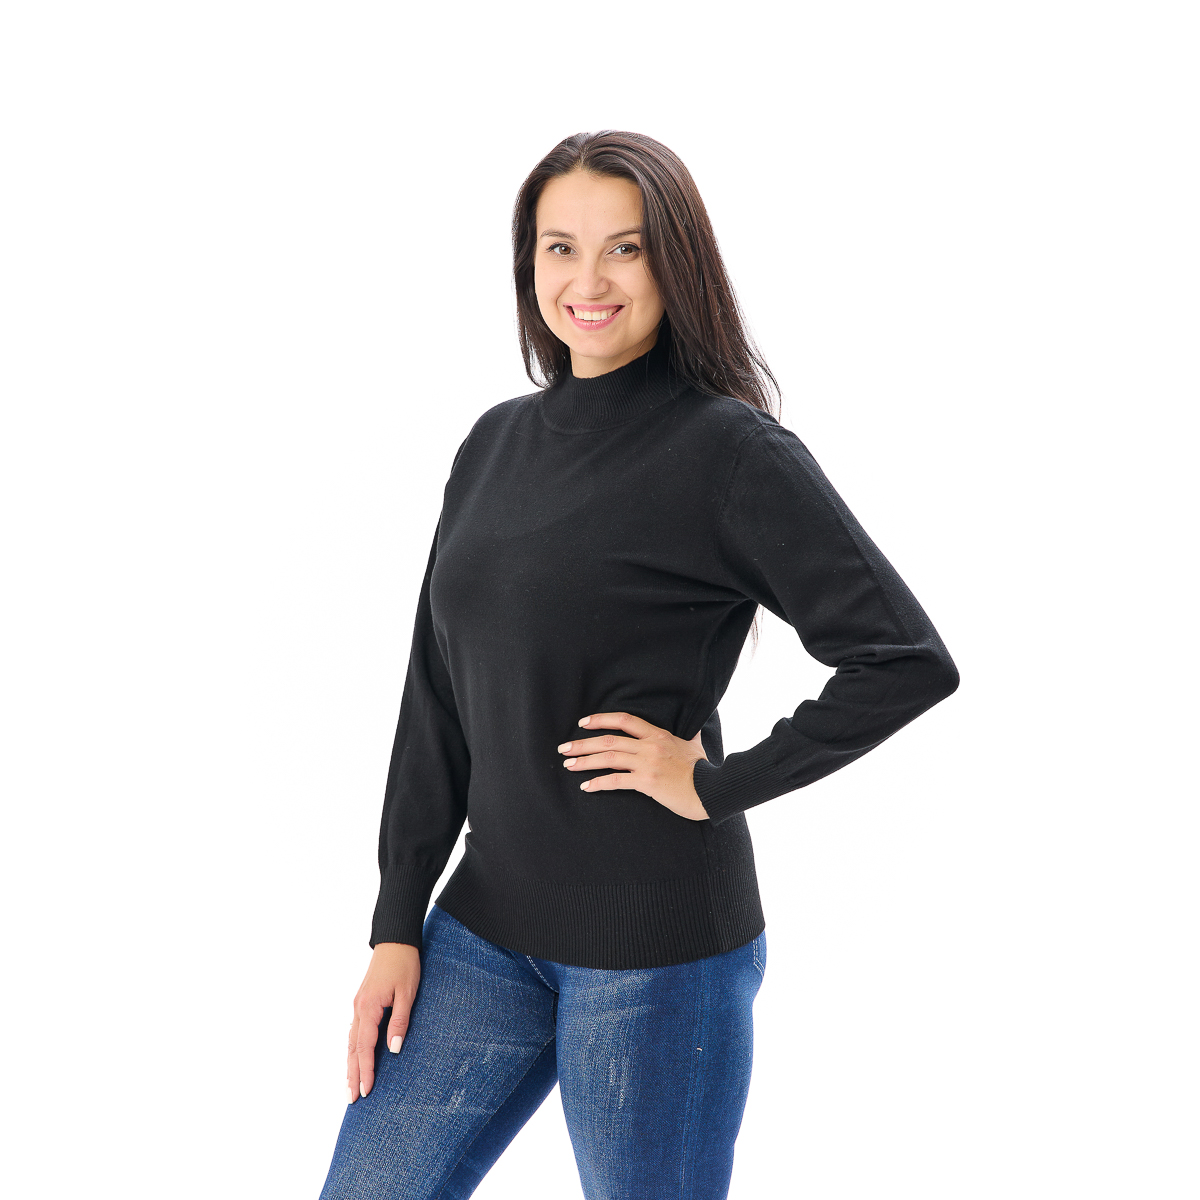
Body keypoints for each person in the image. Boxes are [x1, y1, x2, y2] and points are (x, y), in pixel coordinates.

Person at [318, 130, 959, 1200]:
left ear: (675, 263)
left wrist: (715, 783)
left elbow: (904, 659)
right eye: (560, 248)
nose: (590, 281)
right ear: (528, 264)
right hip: (484, 927)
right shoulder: (492, 444)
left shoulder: (731, 454)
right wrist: (397, 922)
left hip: (658, 954)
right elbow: (436, 695)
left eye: (625, 248)